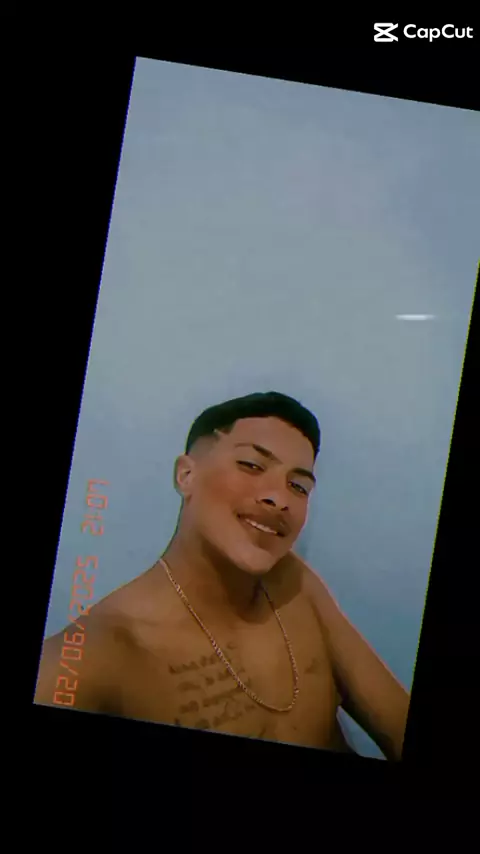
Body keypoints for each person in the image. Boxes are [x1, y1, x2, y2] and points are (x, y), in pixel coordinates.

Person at [34, 391, 410, 759]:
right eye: (252, 465)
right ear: (186, 475)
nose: (279, 498)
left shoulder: (295, 584)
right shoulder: (100, 653)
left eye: (298, 486)